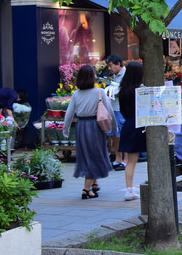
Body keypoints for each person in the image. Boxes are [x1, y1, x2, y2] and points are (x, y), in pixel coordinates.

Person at [61, 64, 116, 199]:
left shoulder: (76, 94)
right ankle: (86, 189)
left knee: (87, 154)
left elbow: (69, 114)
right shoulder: (99, 92)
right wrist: (114, 128)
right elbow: (110, 111)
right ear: (92, 77)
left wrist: (65, 130)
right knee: (94, 155)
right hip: (95, 126)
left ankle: (95, 184)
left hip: (81, 126)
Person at [115, 61, 145, 201]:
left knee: (130, 161)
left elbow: (122, 111)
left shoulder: (123, 91)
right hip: (141, 124)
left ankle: (129, 189)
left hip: (129, 124)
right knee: (137, 159)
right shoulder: (141, 91)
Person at [103, 54, 126, 170]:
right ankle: (118, 159)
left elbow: (127, 91)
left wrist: (116, 93)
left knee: (122, 134)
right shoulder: (115, 76)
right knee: (114, 134)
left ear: (118, 64)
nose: (109, 68)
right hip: (113, 108)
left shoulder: (126, 75)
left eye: (111, 66)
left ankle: (125, 160)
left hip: (122, 109)